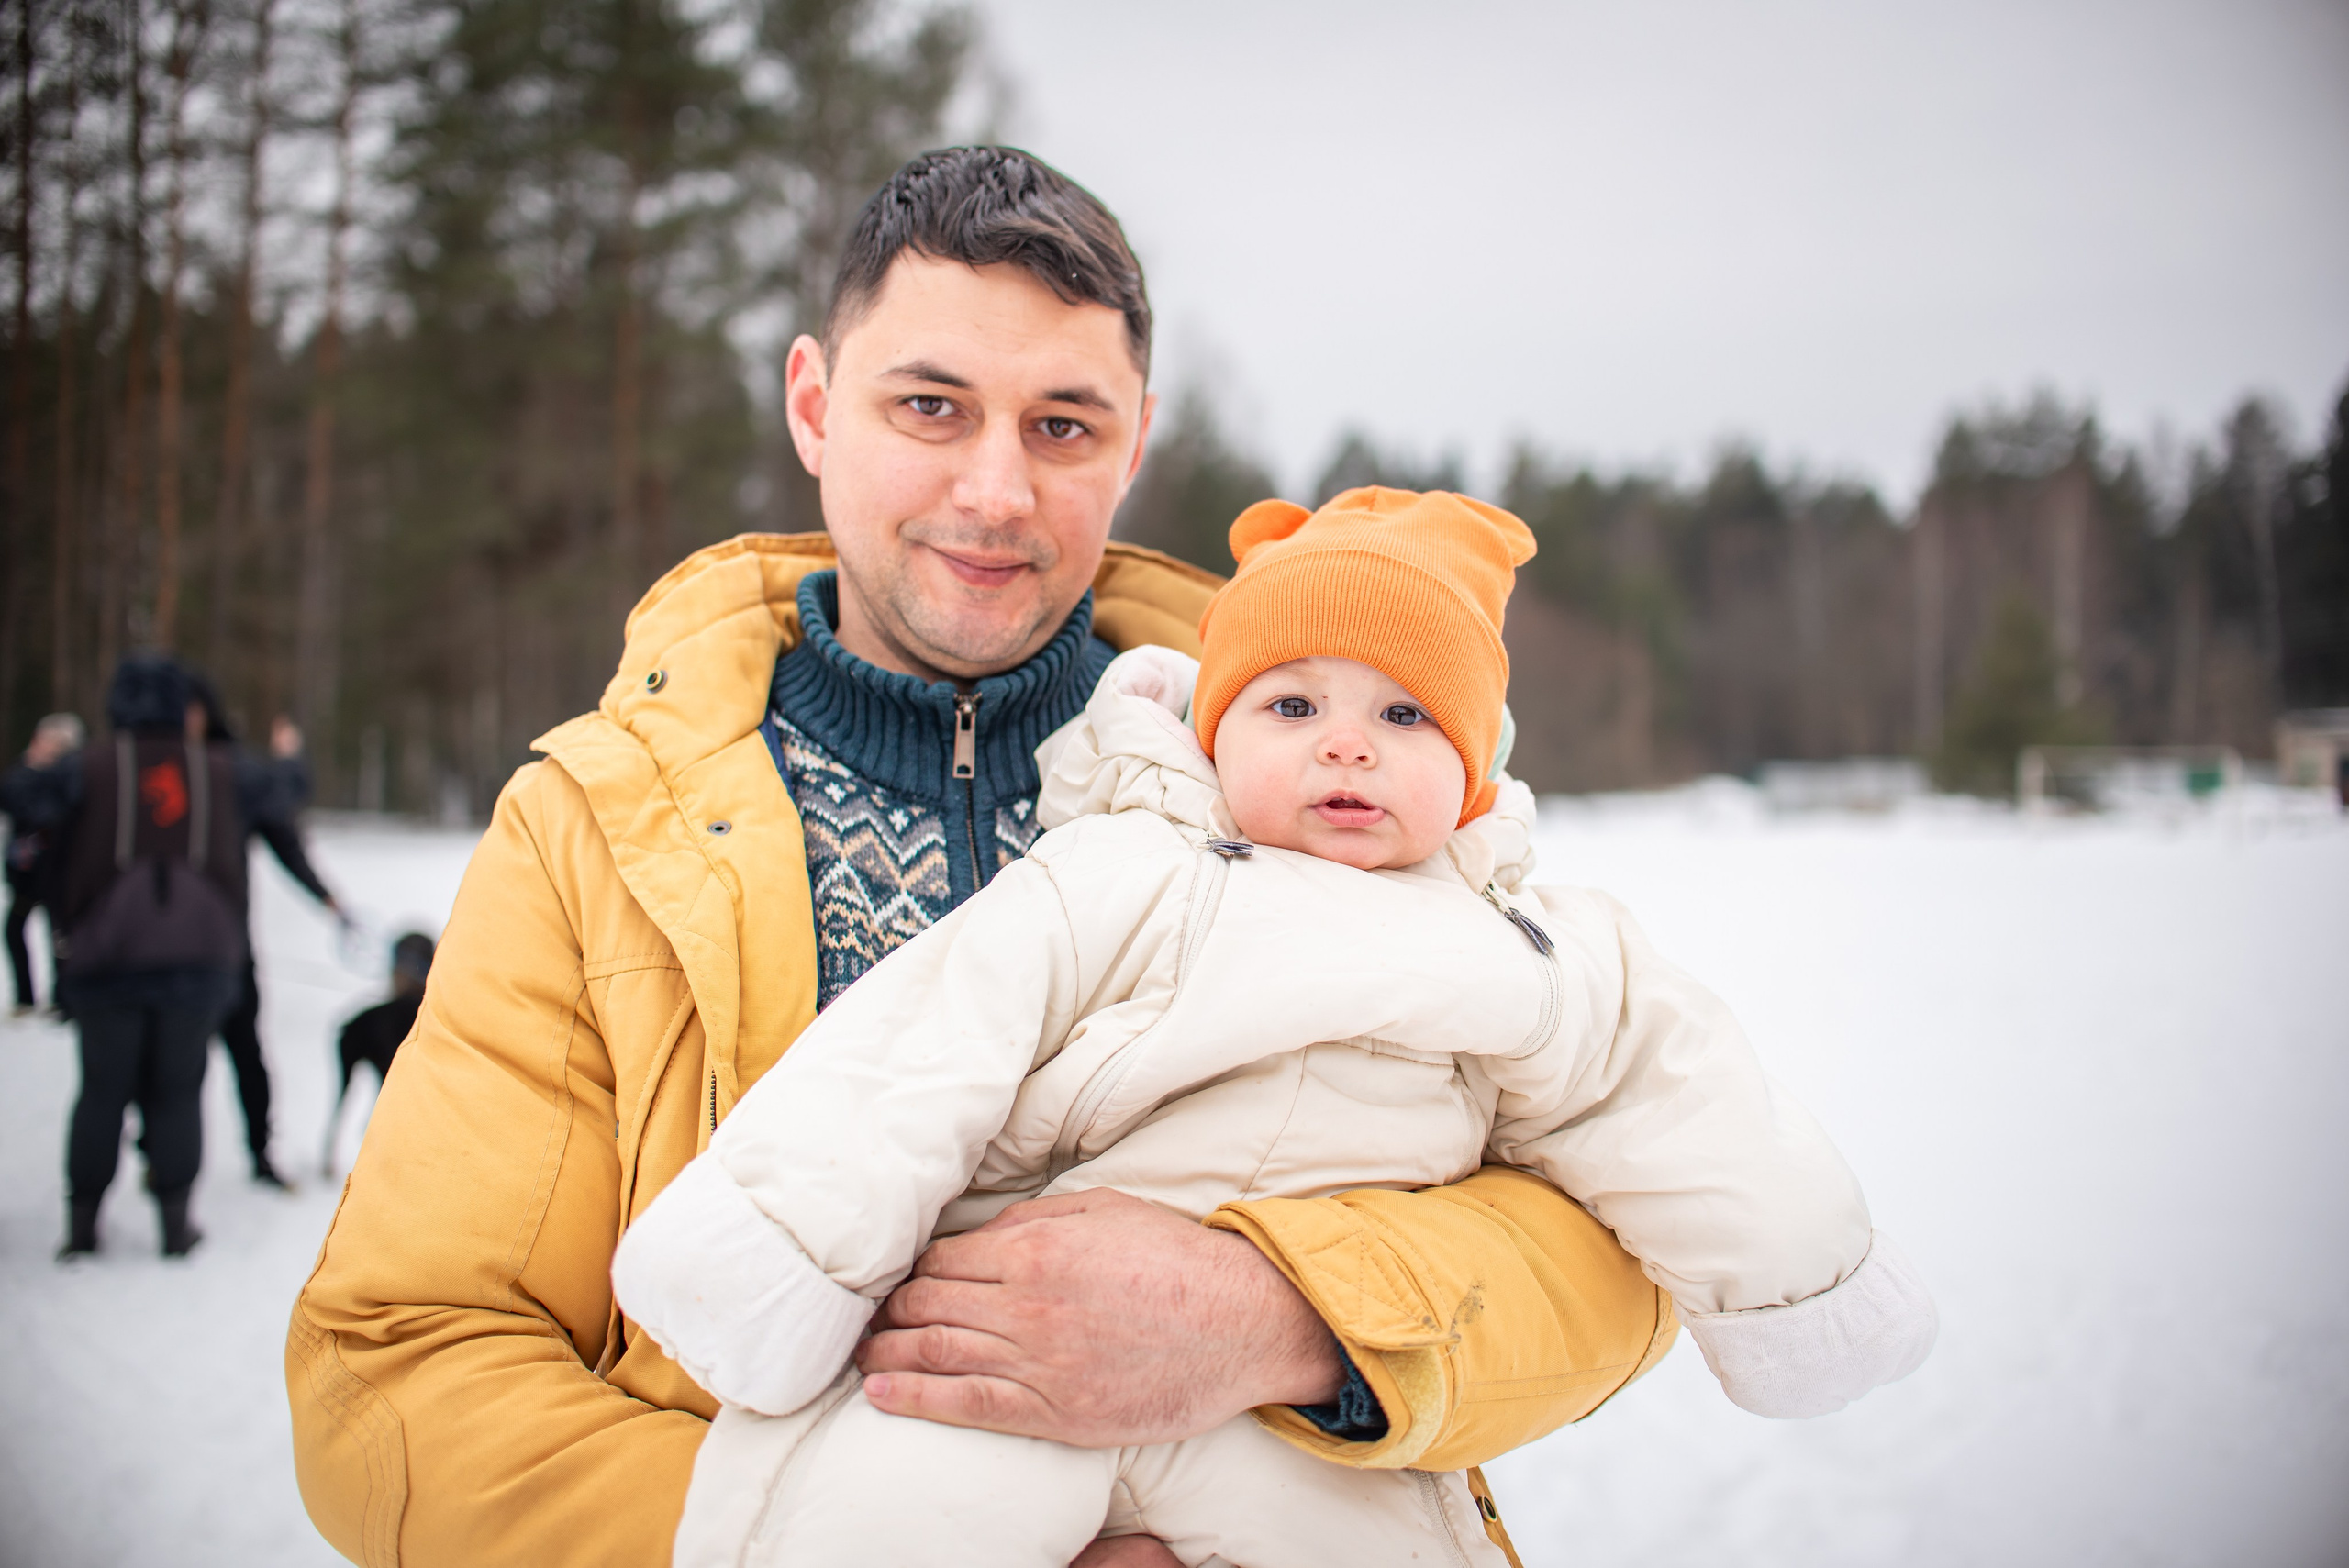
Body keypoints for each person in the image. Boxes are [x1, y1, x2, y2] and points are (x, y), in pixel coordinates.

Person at [288, 147, 1675, 1568]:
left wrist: (1287, 1317)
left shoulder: (1343, 776)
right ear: (817, 405)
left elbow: (1619, 1248)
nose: (998, 490)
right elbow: (397, 1362)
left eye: (1064, 426)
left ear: (1135, 443)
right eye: (932, 406)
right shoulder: (596, 832)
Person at [615, 488, 1938, 1567]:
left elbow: (1679, 1098)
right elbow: (927, 1043)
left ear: (1476, 766)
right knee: (874, 1519)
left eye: (1404, 714)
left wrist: (1800, 1285)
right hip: (1008, 1362)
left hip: (1297, 1426)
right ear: (1212, 729)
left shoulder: (1529, 950)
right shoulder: (1124, 872)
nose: (1345, 748)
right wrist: (777, 1254)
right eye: (1292, 706)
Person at [51, 655, 253, 1258]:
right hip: (199, 958)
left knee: (101, 1090)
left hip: (106, 958)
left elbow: (26, 803)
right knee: (178, 1090)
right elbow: (287, 790)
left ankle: (83, 1227)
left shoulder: (88, 767)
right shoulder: (221, 770)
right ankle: (175, 1222)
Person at [184, 673, 342, 1190]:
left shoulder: (231, 775)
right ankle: (164, 1162)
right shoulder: (142, 770)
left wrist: (325, 897)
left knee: (244, 1051)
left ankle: (259, 1151)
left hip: (226, 947)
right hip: (163, 952)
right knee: (170, 1064)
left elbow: (283, 834)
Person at [324, 931, 435, 1175]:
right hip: (374, 1036)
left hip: (357, 1030)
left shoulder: (387, 1013)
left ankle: (346, 1153)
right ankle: (383, 1153)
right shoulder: (424, 1016)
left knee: (367, 1098)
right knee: (390, 1099)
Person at [3, 712, 85, 1014]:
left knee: (60, 935)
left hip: (57, 873)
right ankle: (25, 996)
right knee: (14, 930)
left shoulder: (69, 779)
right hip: (25, 875)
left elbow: (51, 814)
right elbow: (13, 801)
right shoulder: (23, 774)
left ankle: (63, 999)